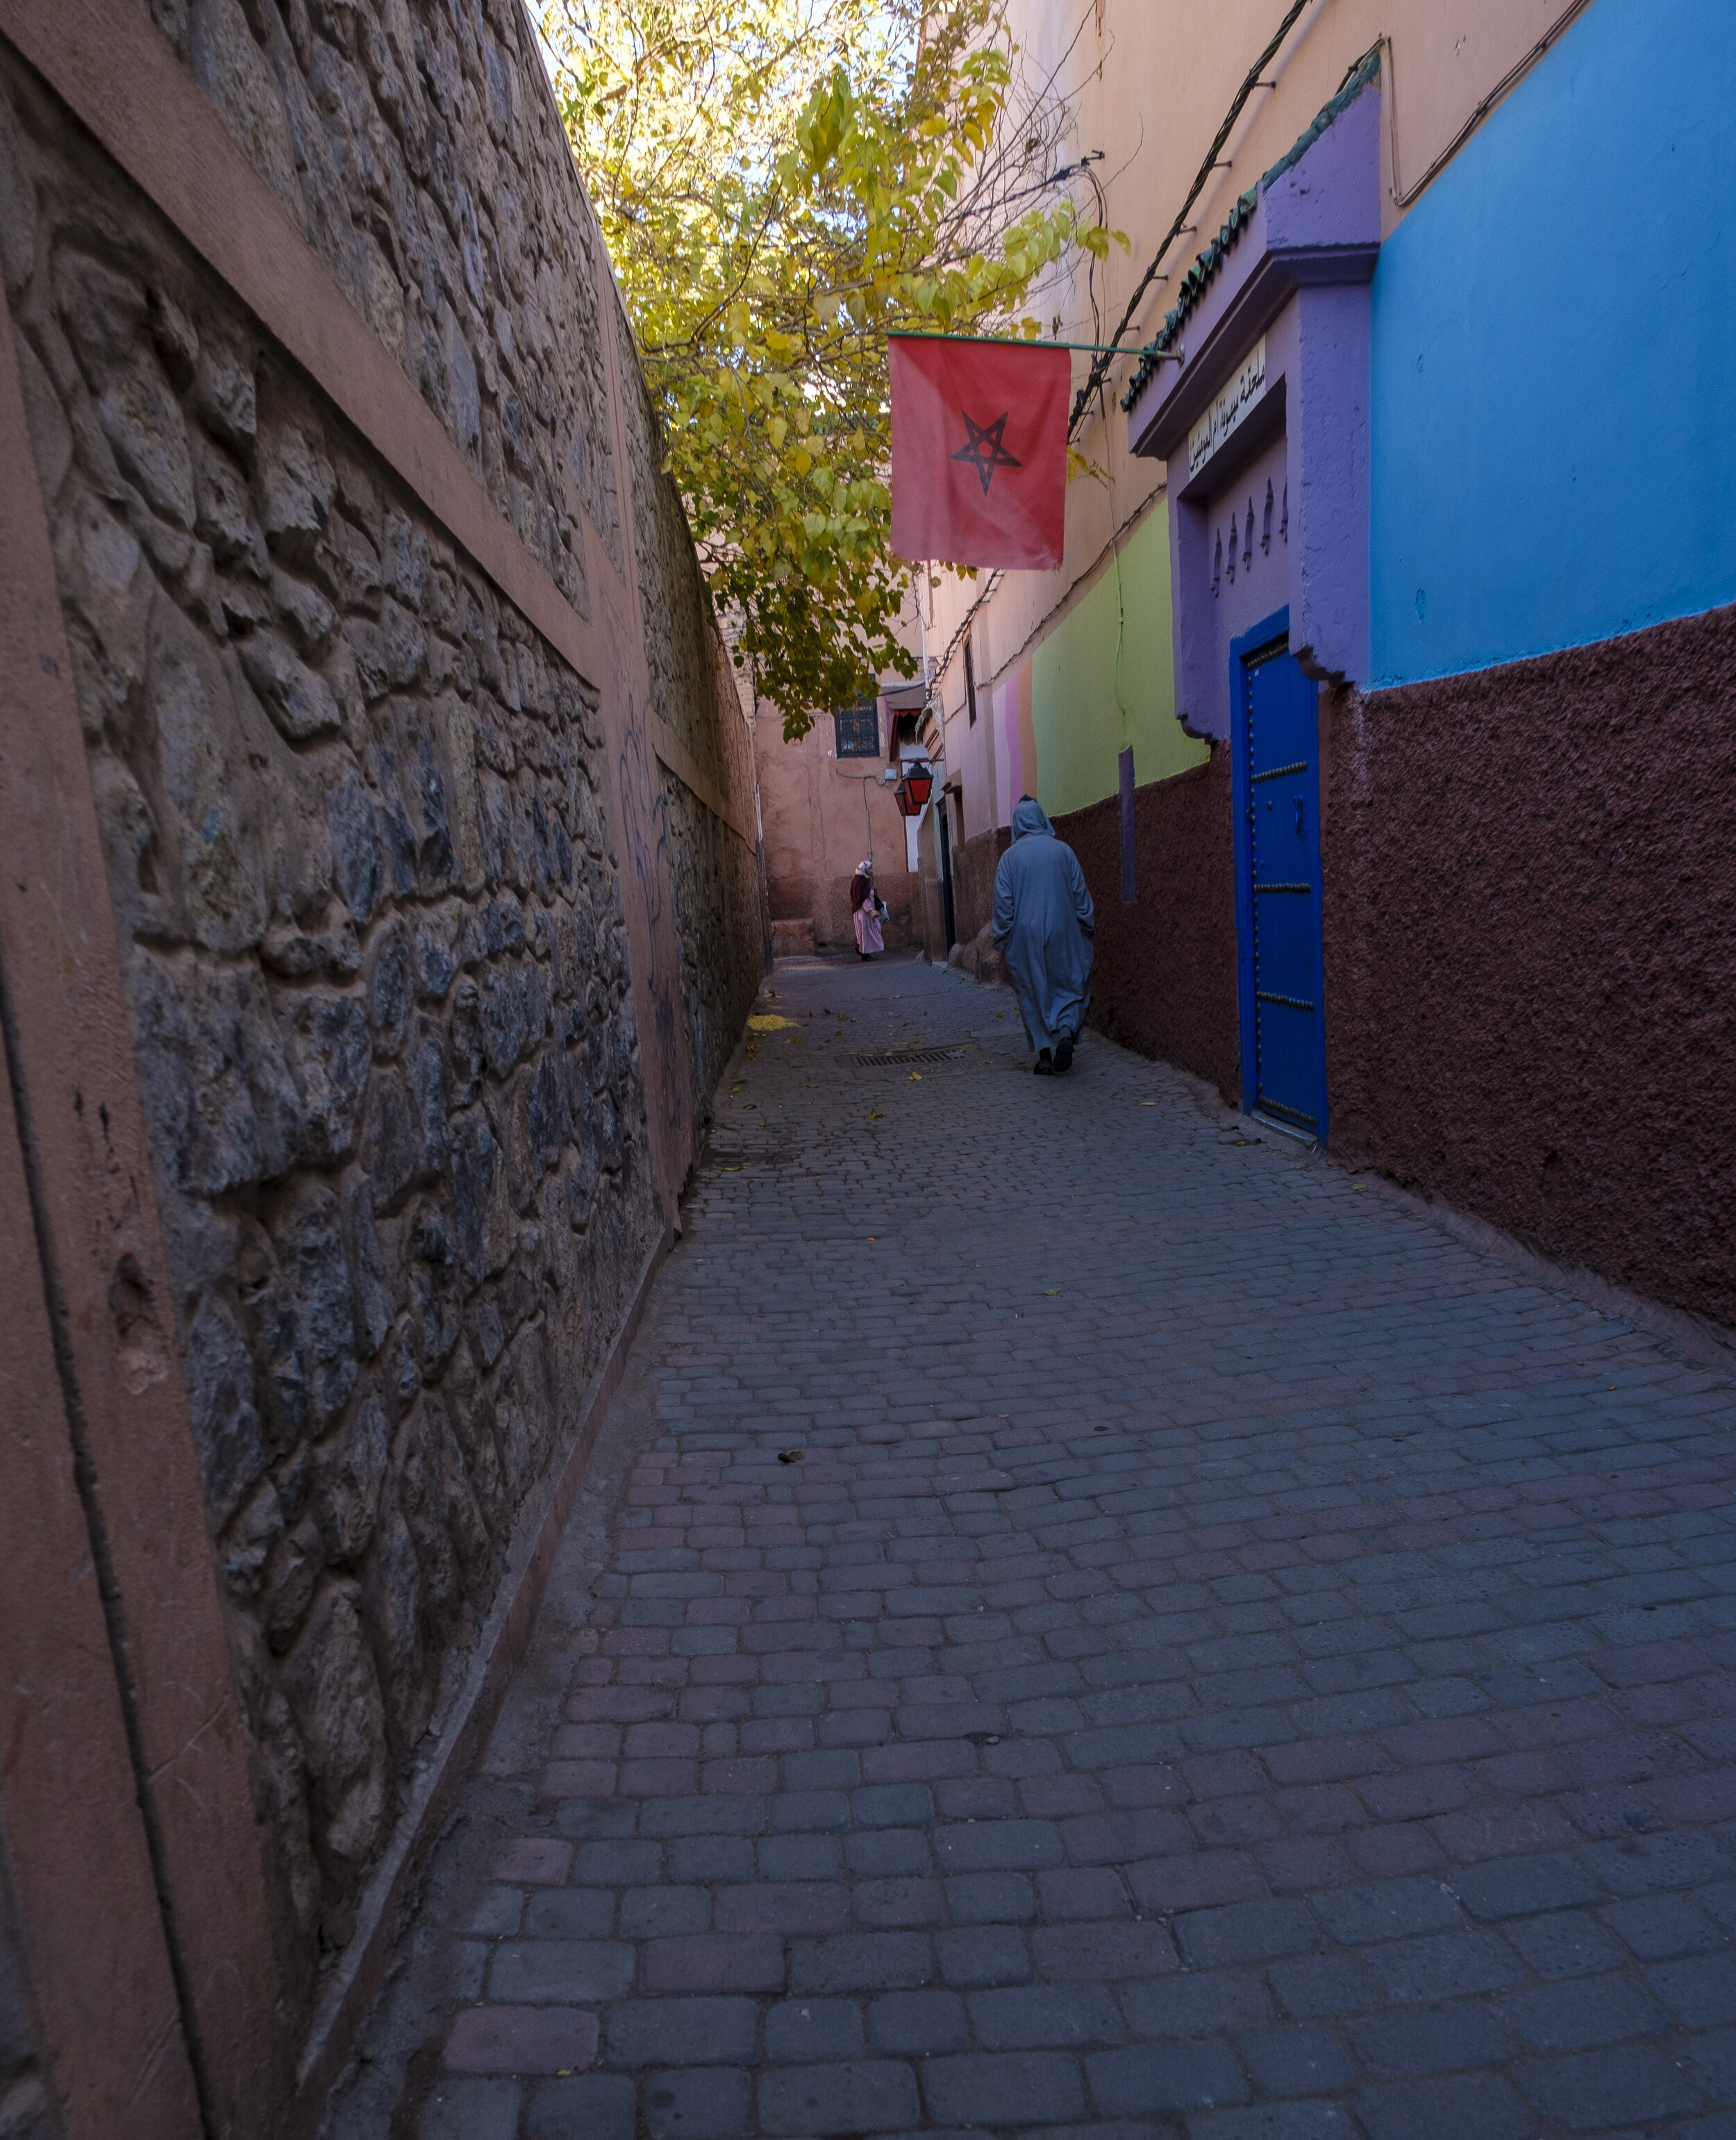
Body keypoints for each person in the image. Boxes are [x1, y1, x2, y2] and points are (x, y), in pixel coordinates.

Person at [992, 795, 1094, 1074]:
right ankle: (1065, 1031)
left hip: (1025, 937)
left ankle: (1045, 1058)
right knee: (1069, 985)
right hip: (1064, 930)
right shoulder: (1064, 852)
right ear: (1041, 818)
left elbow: (1004, 904)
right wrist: (1087, 923)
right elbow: (1080, 895)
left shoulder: (1009, 860)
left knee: (1033, 991)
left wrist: (1001, 936)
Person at [850, 859, 884, 959]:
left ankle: (864, 950)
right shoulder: (861, 881)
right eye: (869, 869)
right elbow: (861, 898)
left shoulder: (859, 880)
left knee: (867, 932)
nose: (870, 871)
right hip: (864, 912)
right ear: (864, 869)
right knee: (866, 932)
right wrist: (870, 910)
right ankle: (865, 954)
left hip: (863, 911)